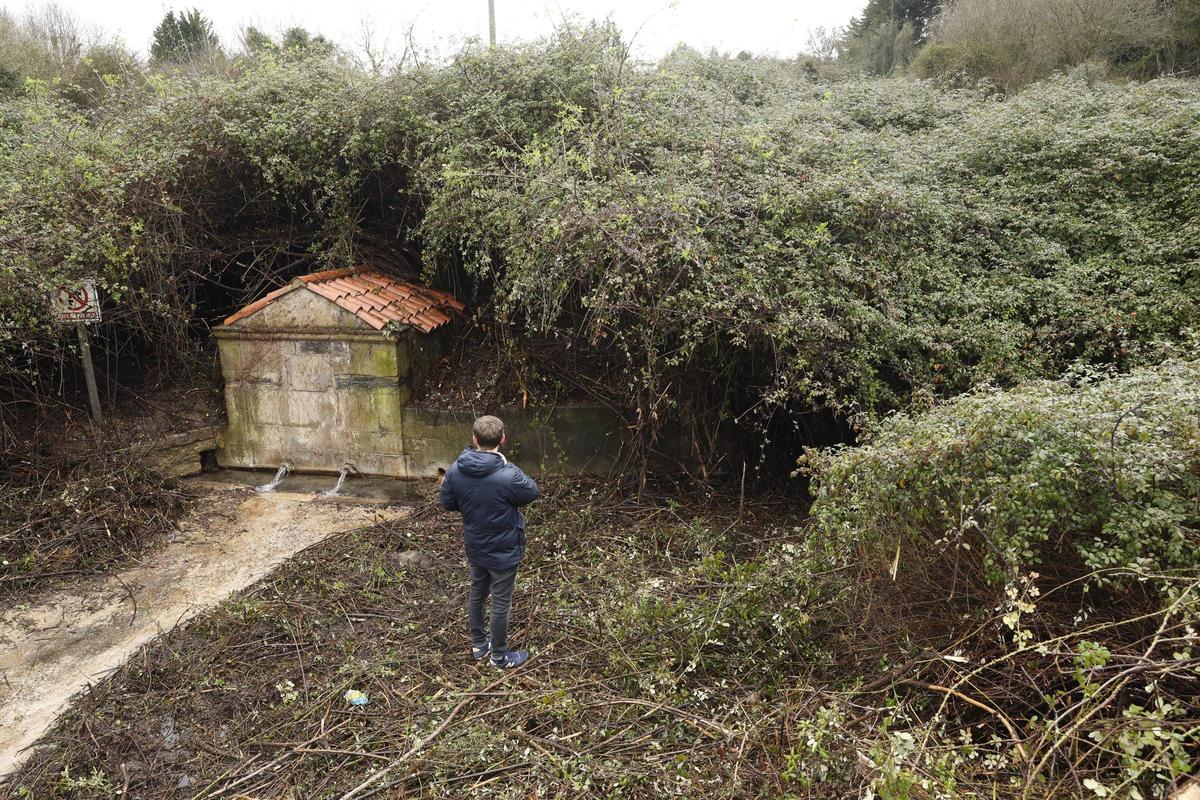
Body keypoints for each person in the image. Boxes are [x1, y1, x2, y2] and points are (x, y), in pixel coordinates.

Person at [438, 415, 540, 669]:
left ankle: (479, 645)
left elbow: (447, 503)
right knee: (500, 602)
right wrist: (509, 466)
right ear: (502, 439)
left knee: (477, 593)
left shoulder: (455, 470)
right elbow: (531, 492)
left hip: (475, 545)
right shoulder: (508, 475)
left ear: (474, 439)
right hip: (504, 550)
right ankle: (499, 657)